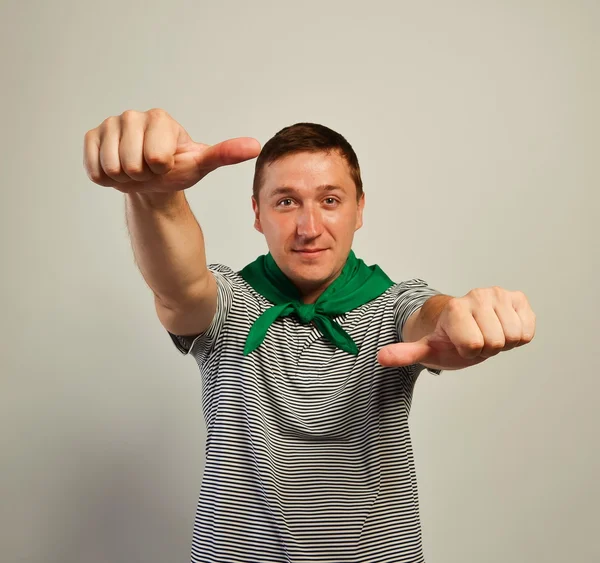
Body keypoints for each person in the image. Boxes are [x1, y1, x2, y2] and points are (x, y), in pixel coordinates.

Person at [83, 108, 536, 563]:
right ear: (257, 214)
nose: (309, 228)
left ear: (360, 209)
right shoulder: (230, 303)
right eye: (286, 202)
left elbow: (429, 316)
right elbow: (180, 290)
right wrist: (158, 199)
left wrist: (460, 320)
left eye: (330, 200)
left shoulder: (393, 302)